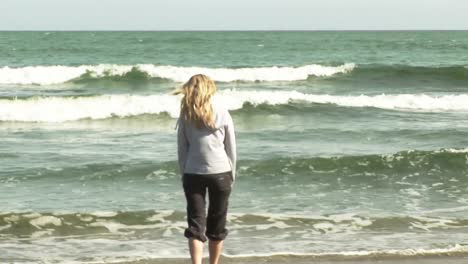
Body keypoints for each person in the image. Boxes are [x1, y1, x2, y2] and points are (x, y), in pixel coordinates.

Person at [175, 74, 237, 264]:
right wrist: (232, 174)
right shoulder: (222, 111)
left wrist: (184, 172)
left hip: (193, 173)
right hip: (221, 172)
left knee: (195, 224)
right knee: (217, 225)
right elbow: (231, 146)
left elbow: (182, 148)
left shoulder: (186, 114)